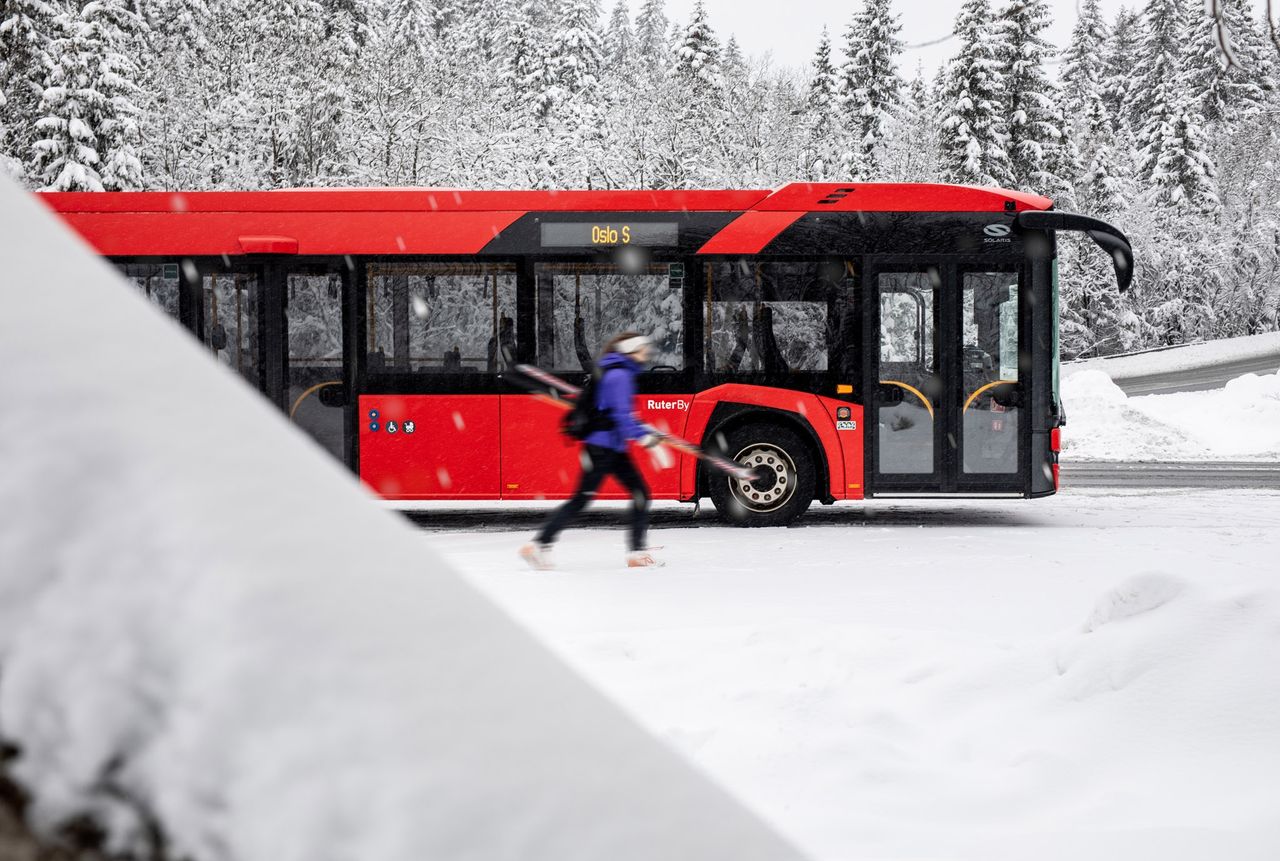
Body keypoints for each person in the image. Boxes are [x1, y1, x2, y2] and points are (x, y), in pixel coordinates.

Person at [520, 332, 662, 569]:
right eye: (643, 351)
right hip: (604, 447)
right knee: (592, 499)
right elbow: (620, 416)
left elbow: (619, 413)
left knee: (631, 494)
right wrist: (644, 437)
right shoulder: (619, 376)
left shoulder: (615, 371)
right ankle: (538, 546)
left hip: (608, 446)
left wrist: (645, 430)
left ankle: (539, 545)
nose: (646, 356)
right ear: (631, 351)